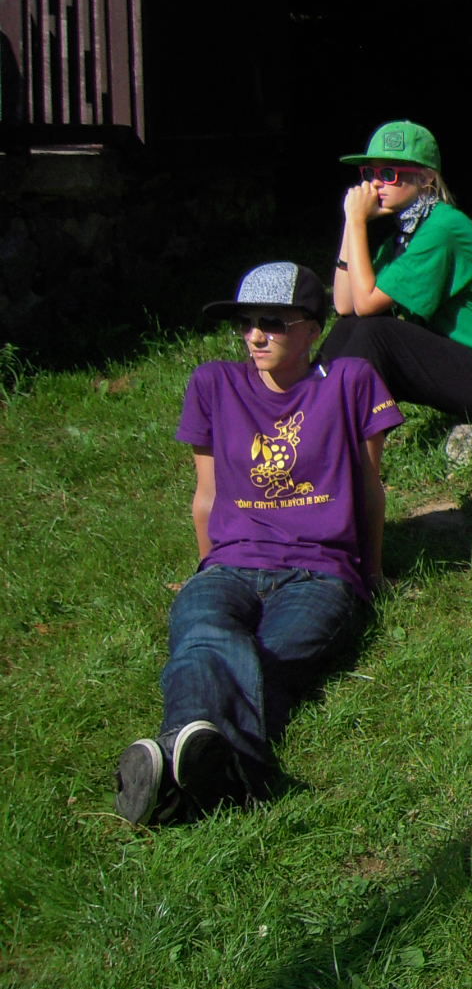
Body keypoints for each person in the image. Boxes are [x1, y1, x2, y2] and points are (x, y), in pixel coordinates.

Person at [114, 264, 402, 824]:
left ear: (312, 329)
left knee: (267, 657)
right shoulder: (213, 384)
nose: (255, 336)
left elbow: (370, 490)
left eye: (272, 323)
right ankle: (217, 774)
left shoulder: (350, 381)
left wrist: (371, 573)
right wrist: (206, 568)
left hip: (321, 571)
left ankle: (175, 769)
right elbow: (205, 496)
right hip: (231, 564)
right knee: (205, 632)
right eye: (245, 323)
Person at [320, 120, 472, 424]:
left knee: (376, 334)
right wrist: (350, 222)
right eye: (370, 174)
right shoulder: (407, 234)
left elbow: (366, 303)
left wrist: (358, 222)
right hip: (467, 365)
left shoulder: (442, 229)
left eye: (389, 174)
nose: (375, 184)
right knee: (350, 327)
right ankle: (309, 411)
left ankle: (326, 427)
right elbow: (346, 306)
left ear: (425, 178)